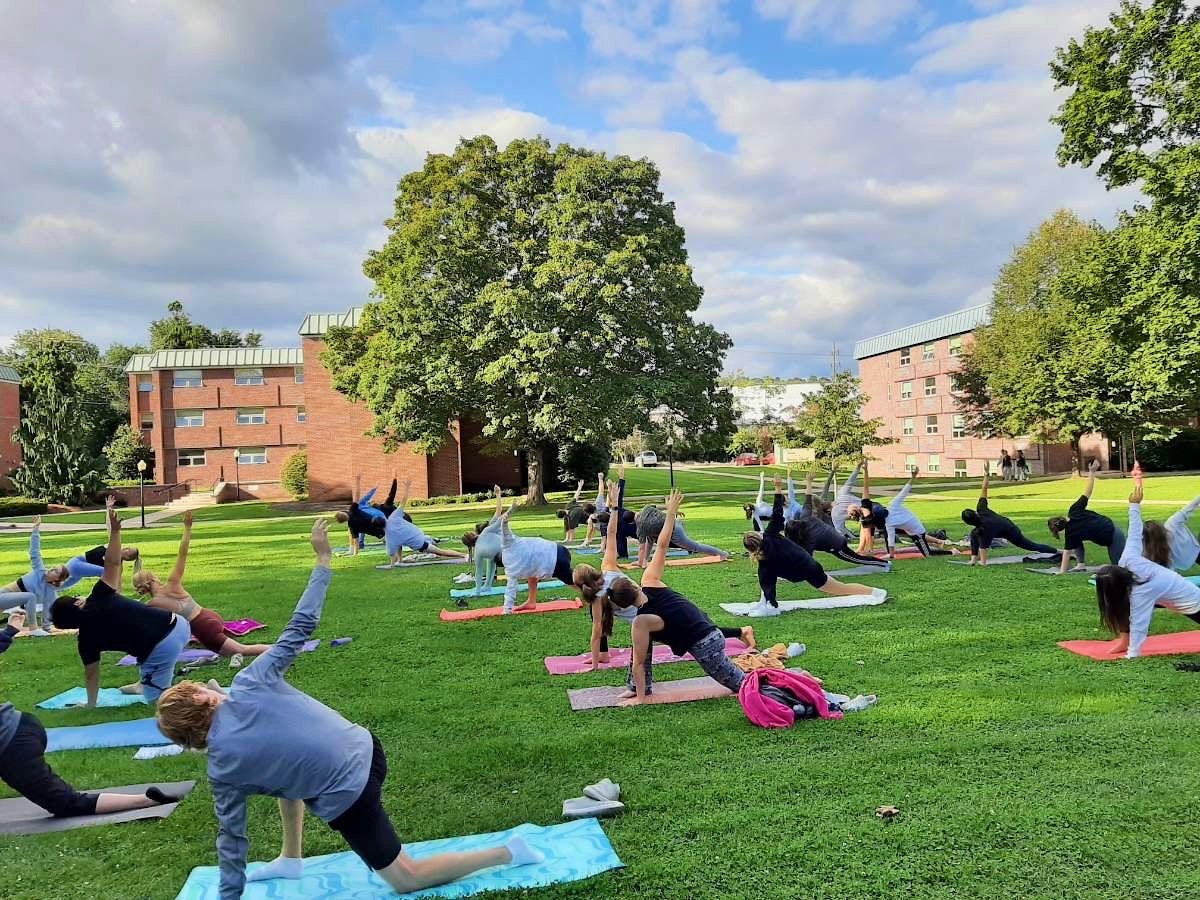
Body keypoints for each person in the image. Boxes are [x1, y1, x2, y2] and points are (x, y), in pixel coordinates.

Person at [155, 520, 545, 899]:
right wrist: (323, 561)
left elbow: (232, 839)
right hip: (367, 746)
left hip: (350, 790)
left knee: (405, 878)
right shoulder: (249, 682)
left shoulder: (223, 769)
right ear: (205, 699)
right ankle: (291, 859)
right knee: (281, 776)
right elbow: (300, 627)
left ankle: (509, 852)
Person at [0, 609, 186, 818]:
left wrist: (9, 632)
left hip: (11, 744)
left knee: (67, 804)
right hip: (22, 725)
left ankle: (147, 799)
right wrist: (9, 631)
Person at [573, 482, 755, 668]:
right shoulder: (608, 567)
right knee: (691, 629)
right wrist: (613, 507)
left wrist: (594, 665)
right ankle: (604, 654)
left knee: (693, 634)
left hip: (650, 615)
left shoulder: (597, 599)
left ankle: (742, 631)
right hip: (649, 607)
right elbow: (612, 533)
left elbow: (596, 632)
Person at [608, 490, 764, 704]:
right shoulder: (650, 580)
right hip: (711, 632)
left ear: (623, 606)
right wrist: (670, 513)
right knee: (642, 643)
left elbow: (638, 664)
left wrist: (641, 700)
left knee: (747, 686)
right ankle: (636, 687)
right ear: (634, 585)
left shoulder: (640, 622)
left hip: (707, 646)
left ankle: (785, 685)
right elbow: (662, 545)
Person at [49, 504, 193, 706]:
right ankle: (146, 682)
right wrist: (116, 532)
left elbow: (92, 674)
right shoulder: (99, 595)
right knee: (148, 661)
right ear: (78, 603)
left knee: (161, 702)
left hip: (162, 645)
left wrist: (91, 704)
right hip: (179, 625)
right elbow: (113, 563)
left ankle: (203, 691)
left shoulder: (86, 641)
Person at [132, 511, 270, 665]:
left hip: (203, 627)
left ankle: (281, 652)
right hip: (209, 616)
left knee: (243, 650)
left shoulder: (152, 605)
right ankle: (237, 654)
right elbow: (182, 554)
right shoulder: (172, 583)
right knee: (230, 651)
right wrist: (187, 528)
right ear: (153, 578)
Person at [742, 478, 888, 618]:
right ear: (759, 536)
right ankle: (876, 591)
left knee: (766, 579)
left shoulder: (764, 562)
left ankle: (767, 602)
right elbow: (777, 512)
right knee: (842, 588)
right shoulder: (771, 534)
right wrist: (778, 487)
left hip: (802, 571)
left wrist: (771, 603)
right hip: (810, 568)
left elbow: (767, 584)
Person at [1093, 470, 1200, 659]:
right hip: (1175, 597)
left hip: (1194, 605)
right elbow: (1134, 530)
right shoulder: (1128, 559)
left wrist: (1132, 654)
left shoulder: (1141, 591)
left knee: (1128, 607)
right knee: (1123, 605)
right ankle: (1123, 641)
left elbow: (1139, 624)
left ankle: (1126, 643)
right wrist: (1134, 505)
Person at [961, 468, 1059, 565]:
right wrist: (986, 475)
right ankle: (973, 559)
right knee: (973, 534)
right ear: (975, 513)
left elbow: (984, 548)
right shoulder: (981, 510)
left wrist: (983, 563)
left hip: (1010, 530)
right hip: (1002, 526)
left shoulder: (984, 529)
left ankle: (1058, 551)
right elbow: (984, 489)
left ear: (968, 523)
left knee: (1031, 546)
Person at [1047, 460, 1125, 573]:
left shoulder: (1070, 533)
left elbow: (1067, 553)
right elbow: (1088, 492)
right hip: (1110, 528)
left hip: (1114, 535)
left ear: (1060, 531)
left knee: (1119, 568)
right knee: (1076, 542)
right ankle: (1081, 565)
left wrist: (1062, 572)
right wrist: (1092, 472)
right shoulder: (1074, 510)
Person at [497, 502, 575, 613]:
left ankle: (590, 595)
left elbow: (510, 590)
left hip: (554, 562)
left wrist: (506, 610)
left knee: (574, 581)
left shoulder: (511, 571)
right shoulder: (508, 545)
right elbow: (505, 530)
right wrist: (507, 515)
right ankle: (531, 601)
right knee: (532, 575)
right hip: (559, 550)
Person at [379, 481, 466, 568]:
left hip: (419, 543)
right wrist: (407, 488)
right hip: (416, 536)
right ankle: (400, 560)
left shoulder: (390, 531)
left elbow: (391, 552)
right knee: (399, 543)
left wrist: (391, 565)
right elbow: (403, 502)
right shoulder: (394, 518)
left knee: (441, 552)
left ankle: (464, 555)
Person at [872, 470, 955, 559]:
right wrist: (913, 477)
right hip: (911, 529)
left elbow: (904, 491)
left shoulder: (890, 519)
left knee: (928, 554)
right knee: (922, 546)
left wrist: (913, 477)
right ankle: (939, 542)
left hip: (917, 531)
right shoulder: (892, 507)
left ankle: (952, 552)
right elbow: (890, 539)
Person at [635, 498, 728, 567]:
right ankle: (644, 560)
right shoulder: (646, 509)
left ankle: (722, 554)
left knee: (694, 547)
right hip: (675, 522)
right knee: (650, 539)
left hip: (675, 531)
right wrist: (675, 511)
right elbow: (663, 507)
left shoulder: (641, 527)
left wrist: (640, 563)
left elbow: (641, 548)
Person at [333, 478, 406, 555]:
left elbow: (356, 540)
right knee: (393, 536)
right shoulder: (353, 510)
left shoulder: (351, 525)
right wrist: (358, 481)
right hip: (379, 523)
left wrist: (355, 553)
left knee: (391, 537)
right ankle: (401, 542)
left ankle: (352, 549)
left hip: (377, 530)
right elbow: (358, 496)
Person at [581, 471, 608, 547]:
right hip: (606, 523)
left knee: (591, 521)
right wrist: (600, 479)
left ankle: (587, 540)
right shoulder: (598, 502)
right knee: (591, 521)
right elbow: (601, 490)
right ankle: (588, 540)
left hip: (604, 525)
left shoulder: (593, 515)